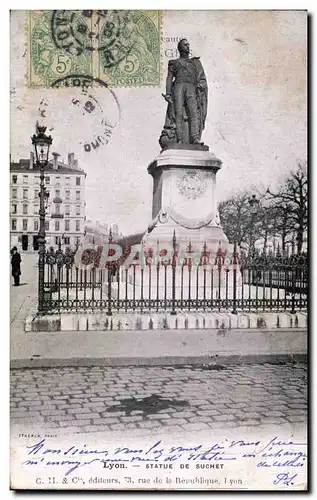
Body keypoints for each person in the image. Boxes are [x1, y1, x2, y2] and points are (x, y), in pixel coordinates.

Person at [160, 38, 208, 147]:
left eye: (188, 44)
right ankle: (180, 139)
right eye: (185, 44)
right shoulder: (174, 63)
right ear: (180, 47)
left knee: (193, 112)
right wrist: (168, 93)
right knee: (178, 113)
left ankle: (195, 138)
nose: (187, 46)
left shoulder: (194, 62)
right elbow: (169, 78)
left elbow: (200, 78)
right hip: (178, 86)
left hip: (191, 87)